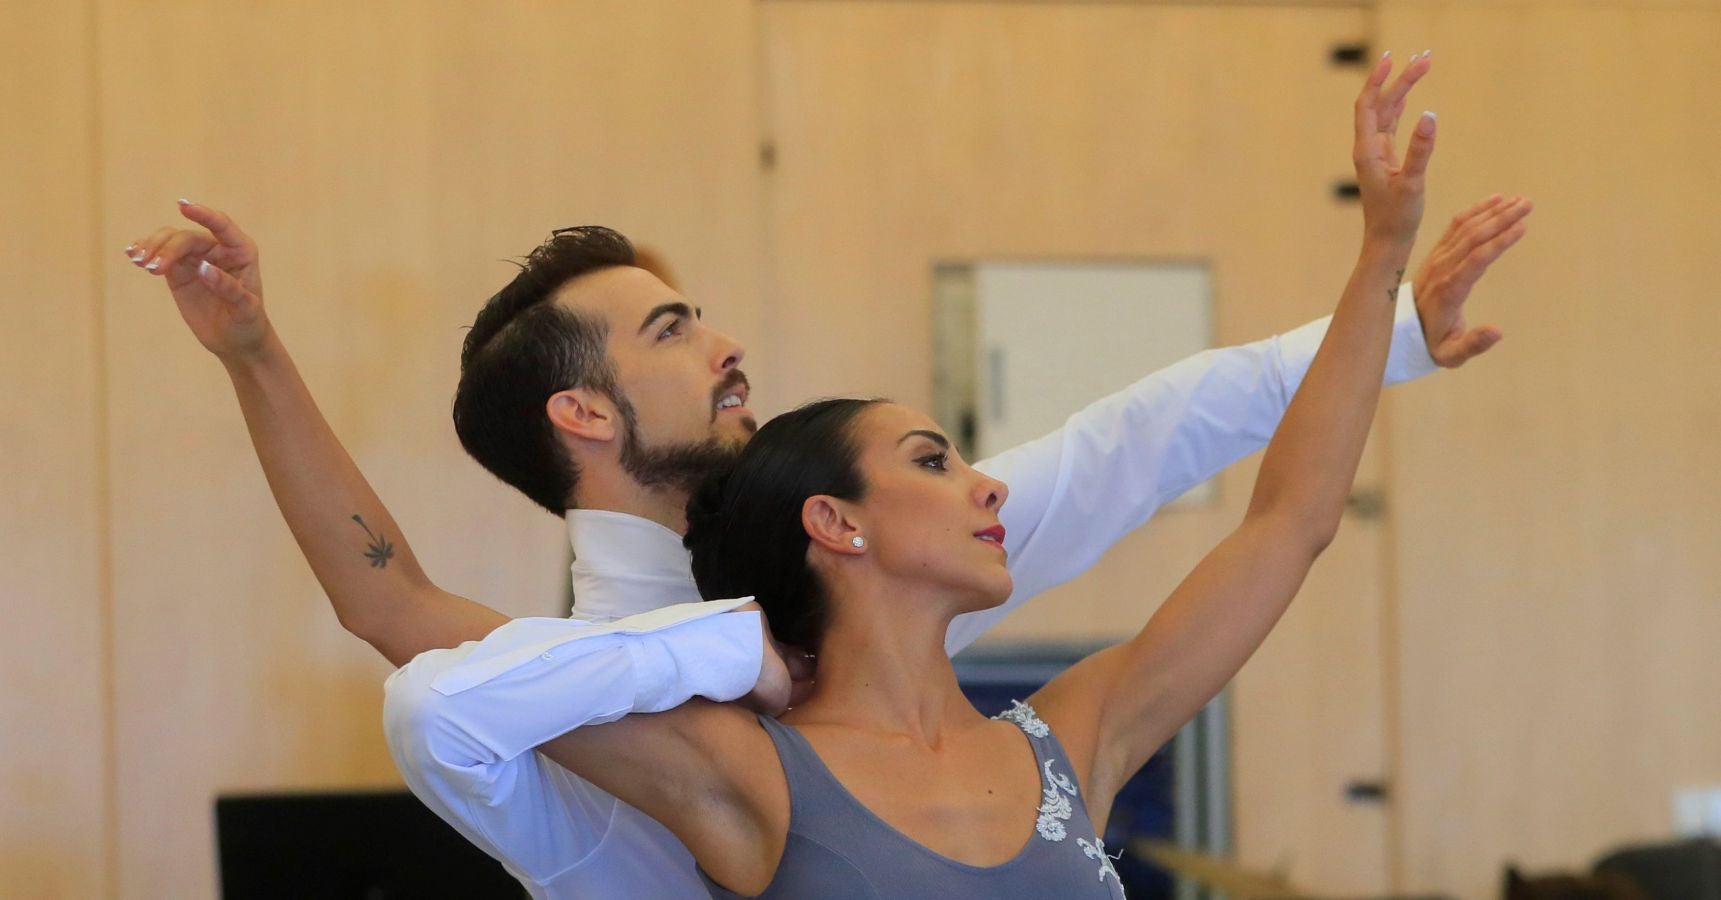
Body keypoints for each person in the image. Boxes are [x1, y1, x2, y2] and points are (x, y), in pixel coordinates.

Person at [125, 50, 1530, 898]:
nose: (728, 345)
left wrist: (1388, 310)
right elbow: (398, 626)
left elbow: (1178, 462)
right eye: (672, 331)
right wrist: (254, 351)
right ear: (584, 414)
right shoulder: (628, 681)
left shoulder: (912, 579)